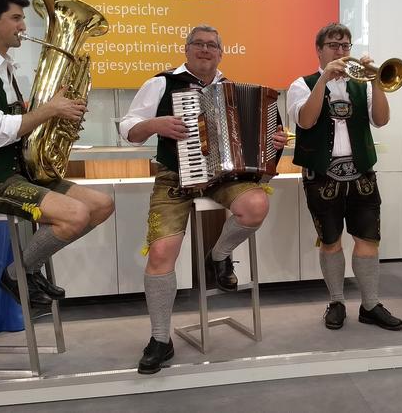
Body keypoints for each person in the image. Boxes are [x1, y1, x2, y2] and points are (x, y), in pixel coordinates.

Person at [119, 25, 287, 374]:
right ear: (187, 48)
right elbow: (129, 129)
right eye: (199, 43)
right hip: (174, 175)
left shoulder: (231, 89)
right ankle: (160, 339)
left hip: (224, 176)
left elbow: (266, 139)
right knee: (163, 251)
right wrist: (156, 125)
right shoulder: (162, 83)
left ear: (221, 53)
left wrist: (276, 139)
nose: (206, 50)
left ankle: (219, 255)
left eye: (213, 45)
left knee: (256, 206)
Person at [0, 0, 115, 310]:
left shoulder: (7, 68)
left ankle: (28, 269)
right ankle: (16, 275)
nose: (23, 26)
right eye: (16, 18)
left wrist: (62, 117)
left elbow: (19, 126)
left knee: (102, 204)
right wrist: (49, 110)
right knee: (75, 215)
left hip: (17, 172)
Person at [286, 22, 402, 332]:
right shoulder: (302, 83)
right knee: (331, 242)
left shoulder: (361, 84)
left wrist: (376, 81)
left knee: (368, 240)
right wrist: (324, 79)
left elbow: (381, 119)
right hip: (322, 175)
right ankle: (336, 300)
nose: (341, 51)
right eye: (334, 45)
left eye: (345, 46)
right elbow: (307, 121)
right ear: (319, 50)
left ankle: (370, 304)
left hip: (361, 171)